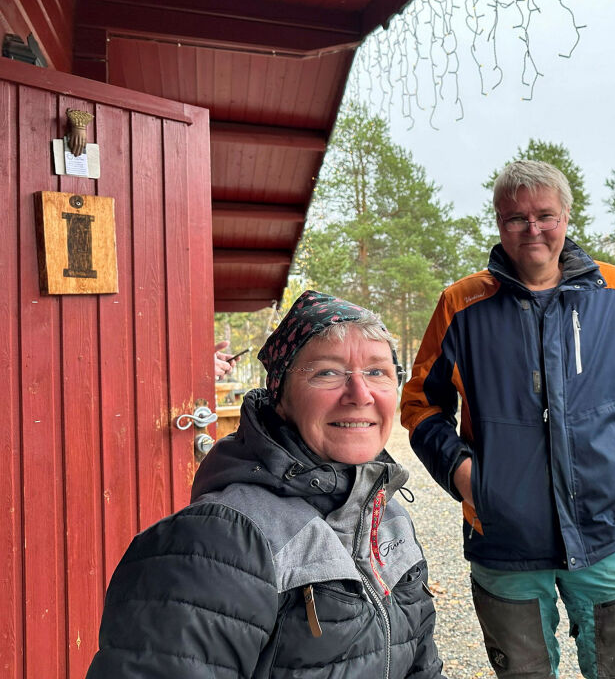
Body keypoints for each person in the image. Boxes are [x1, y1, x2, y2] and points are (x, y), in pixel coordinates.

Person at [401, 160, 615, 679]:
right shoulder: (461, 305)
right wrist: (466, 478)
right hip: (504, 538)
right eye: (515, 218)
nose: (532, 229)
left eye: (545, 215)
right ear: (498, 222)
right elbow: (421, 404)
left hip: (611, 533)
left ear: (567, 217)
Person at [88, 291, 446, 679]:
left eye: (377, 372)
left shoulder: (387, 514)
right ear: (281, 397)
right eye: (328, 372)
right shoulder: (217, 540)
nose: (360, 394)